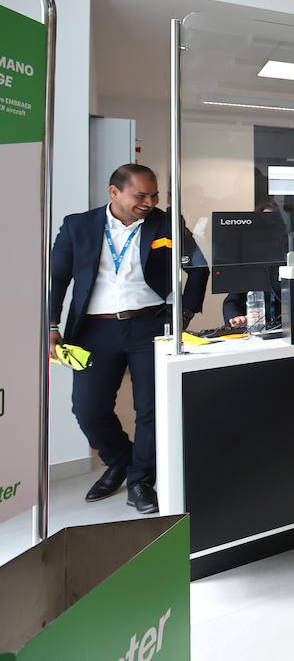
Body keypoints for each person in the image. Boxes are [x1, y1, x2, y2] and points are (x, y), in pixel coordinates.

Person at [48, 163, 207, 515]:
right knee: (88, 409)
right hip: (93, 330)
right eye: (141, 195)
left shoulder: (166, 223)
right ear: (114, 192)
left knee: (150, 408)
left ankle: (139, 480)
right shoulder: (79, 226)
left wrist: (184, 314)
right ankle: (120, 459)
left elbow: (197, 267)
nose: (149, 202)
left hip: (149, 325)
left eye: (153, 195)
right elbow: (58, 277)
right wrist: (51, 326)